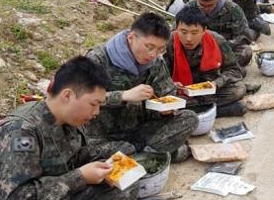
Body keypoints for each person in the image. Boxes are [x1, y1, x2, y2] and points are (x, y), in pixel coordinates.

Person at [0, 57, 166, 200]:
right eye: (93, 104)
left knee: (126, 184)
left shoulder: (68, 121)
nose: (96, 112)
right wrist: (79, 177)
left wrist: (106, 166)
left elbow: (76, 156)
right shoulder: (21, 133)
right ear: (67, 95)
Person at [85, 12, 198, 162]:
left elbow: (168, 92)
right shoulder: (97, 59)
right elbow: (82, 100)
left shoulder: (156, 62)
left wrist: (167, 107)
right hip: (104, 135)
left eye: (160, 49)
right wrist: (124, 96)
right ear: (131, 38)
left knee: (189, 118)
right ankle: (155, 154)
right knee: (92, 153)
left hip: (139, 129)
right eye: (149, 47)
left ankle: (146, 154)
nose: (153, 54)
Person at [165, 6, 248, 117]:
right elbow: (162, 74)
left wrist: (216, 83)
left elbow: (233, 70)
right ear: (176, 29)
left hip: (208, 87)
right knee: (162, 101)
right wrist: (172, 84)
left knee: (238, 90)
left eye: (194, 33)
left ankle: (188, 112)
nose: (188, 38)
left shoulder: (217, 40)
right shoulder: (169, 42)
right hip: (182, 89)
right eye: (183, 32)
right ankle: (220, 111)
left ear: (204, 30)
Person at [187, 0, 253, 67]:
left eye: (210, 5)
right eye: (202, 5)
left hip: (225, 50)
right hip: (198, 50)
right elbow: (176, 33)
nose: (206, 9)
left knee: (245, 51)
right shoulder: (190, 7)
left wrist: (222, 45)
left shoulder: (233, 9)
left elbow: (244, 37)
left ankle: (220, 68)